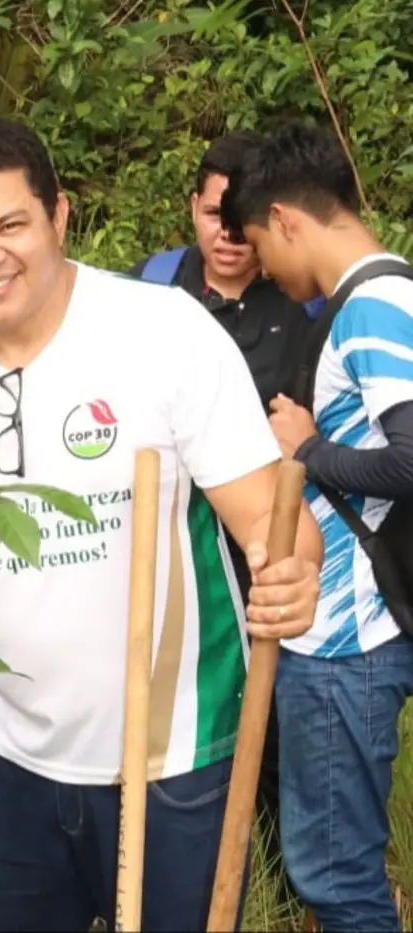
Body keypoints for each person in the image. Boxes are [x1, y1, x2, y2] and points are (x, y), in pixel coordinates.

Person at [0, 116, 325, 932]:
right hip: (17, 760)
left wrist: (291, 574)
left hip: (176, 759)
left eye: (8, 226)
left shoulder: (162, 334)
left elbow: (270, 519)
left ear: (58, 217)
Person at [220, 121, 413, 933]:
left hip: (347, 638)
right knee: (336, 864)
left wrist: (308, 446)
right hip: (355, 627)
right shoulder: (392, 293)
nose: (263, 265)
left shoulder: (374, 305)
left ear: (288, 219)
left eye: (262, 242)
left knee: (332, 872)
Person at [128, 131, 318, 885]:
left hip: (257, 540)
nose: (228, 235)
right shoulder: (150, 293)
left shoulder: (299, 306)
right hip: (160, 535)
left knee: (267, 707)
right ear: (193, 211)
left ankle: (265, 861)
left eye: (242, 220)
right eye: (214, 214)